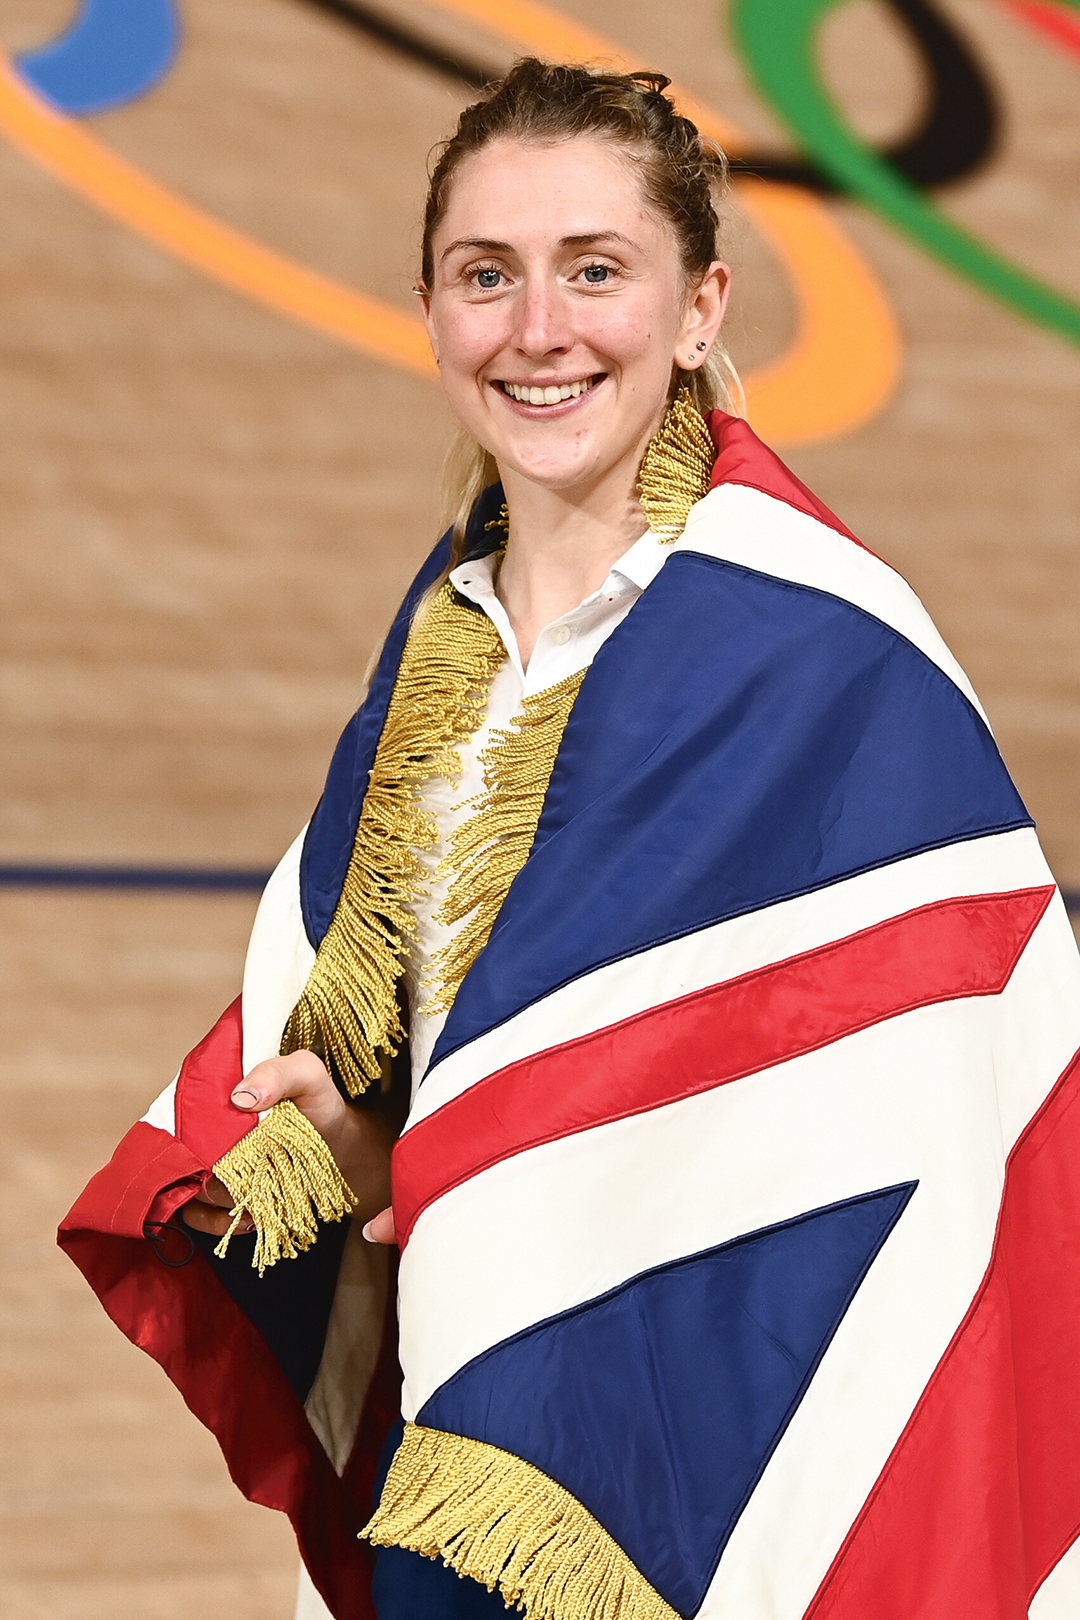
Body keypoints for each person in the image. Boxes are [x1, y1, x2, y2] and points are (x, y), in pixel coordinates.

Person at [61, 58, 1080, 1620]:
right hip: (478, 1420)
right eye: (488, 276)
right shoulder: (435, 652)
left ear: (700, 310)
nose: (539, 330)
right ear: (432, 311)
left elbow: (936, 1110)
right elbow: (504, 1072)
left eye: (596, 271)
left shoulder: (825, 651)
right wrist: (360, 1147)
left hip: (744, 1452)